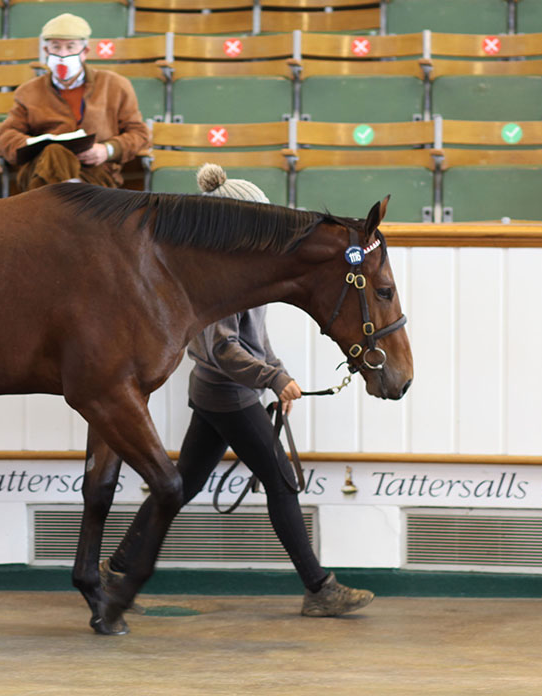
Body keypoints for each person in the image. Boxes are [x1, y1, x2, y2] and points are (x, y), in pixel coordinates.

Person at [103, 163, 375, 618]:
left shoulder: (246, 274)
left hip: (220, 392)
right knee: (281, 482)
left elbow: (255, 339)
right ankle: (319, 589)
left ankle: (118, 566)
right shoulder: (213, 277)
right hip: (226, 393)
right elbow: (222, 348)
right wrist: (272, 379)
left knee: (183, 484)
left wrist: (279, 374)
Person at [0, 13, 151, 191]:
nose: (62, 54)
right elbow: (5, 137)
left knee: (53, 173)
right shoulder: (28, 91)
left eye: (70, 47)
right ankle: (71, 200)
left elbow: (139, 134)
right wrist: (34, 145)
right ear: (46, 52)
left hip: (95, 173)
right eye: (56, 47)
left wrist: (107, 150)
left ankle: (55, 206)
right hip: (39, 169)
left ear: (84, 52)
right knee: (54, 152)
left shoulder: (115, 85)